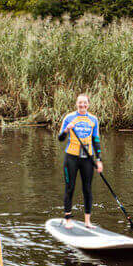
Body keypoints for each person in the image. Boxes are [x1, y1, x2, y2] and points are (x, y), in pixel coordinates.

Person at [57, 94, 103, 228]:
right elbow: (60, 138)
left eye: (85, 103)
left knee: (87, 189)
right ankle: (68, 219)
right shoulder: (69, 117)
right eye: (80, 103)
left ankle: (87, 221)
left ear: (88, 104)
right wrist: (67, 129)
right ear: (76, 104)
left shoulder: (93, 119)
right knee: (70, 187)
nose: (82, 105)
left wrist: (99, 160)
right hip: (71, 157)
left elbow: (96, 140)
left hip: (87, 158)